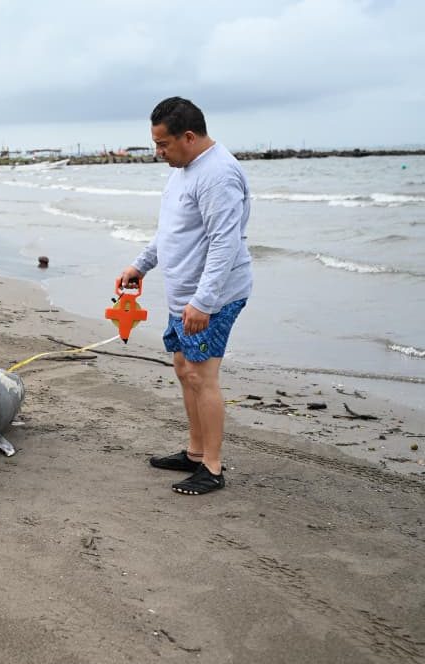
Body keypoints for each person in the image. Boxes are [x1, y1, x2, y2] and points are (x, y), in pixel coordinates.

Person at [118, 96, 253, 496]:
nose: (159, 153)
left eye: (163, 144)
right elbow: (170, 230)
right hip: (185, 295)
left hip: (213, 296)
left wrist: (205, 302)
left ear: (189, 137)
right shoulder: (182, 170)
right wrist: (140, 265)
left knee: (201, 374)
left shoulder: (219, 175)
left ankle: (211, 467)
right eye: (156, 144)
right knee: (183, 368)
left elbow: (223, 244)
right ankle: (195, 453)